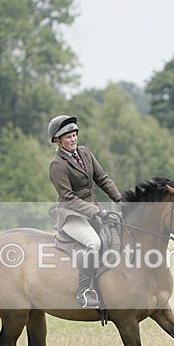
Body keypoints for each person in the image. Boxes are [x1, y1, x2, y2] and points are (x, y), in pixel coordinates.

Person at [47, 115, 122, 309]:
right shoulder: (57, 165)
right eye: (68, 137)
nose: (73, 139)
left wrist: (120, 200)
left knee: (116, 234)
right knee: (94, 243)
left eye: (74, 135)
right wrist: (97, 211)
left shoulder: (85, 153)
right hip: (71, 214)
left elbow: (103, 179)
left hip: (92, 211)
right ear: (58, 141)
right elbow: (68, 197)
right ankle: (84, 293)